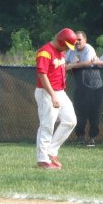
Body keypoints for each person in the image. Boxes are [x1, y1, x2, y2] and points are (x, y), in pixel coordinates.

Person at [35, 28, 77, 169]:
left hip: (60, 91)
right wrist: (53, 95)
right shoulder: (45, 51)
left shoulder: (60, 52)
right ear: (60, 41)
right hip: (47, 92)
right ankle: (43, 160)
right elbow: (42, 74)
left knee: (70, 120)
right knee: (47, 125)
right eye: (66, 45)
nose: (67, 48)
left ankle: (51, 152)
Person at [65, 31, 103, 147]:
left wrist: (72, 65)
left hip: (94, 87)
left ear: (85, 40)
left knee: (94, 113)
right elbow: (65, 63)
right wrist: (70, 65)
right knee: (79, 113)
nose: (77, 42)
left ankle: (92, 138)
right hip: (81, 87)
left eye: (80, 39)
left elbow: (88, 63)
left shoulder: (88, 49)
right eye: (75, 40)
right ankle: (80, 137)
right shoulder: (71, 50)